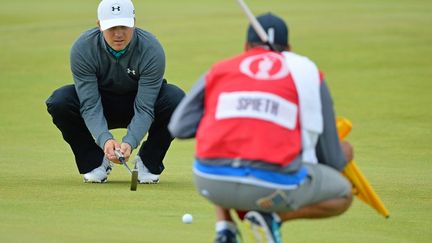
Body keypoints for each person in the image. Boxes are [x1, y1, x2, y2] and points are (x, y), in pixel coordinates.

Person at [169, 13, 353, 243]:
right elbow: (332, 161)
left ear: (246, 46)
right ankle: (274, 217)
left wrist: (228, 118)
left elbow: (179, 127)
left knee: (224, 141)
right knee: (343, 193)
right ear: (289, 48)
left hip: (210, 182)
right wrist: (344, 153)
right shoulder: (306, 73)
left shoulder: (220, 69)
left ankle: (225, 228)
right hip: (271, 185)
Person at [46, 0, 185, 184]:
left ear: (134, 22)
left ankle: (148, 162)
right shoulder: (83, 48)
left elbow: (145, 108)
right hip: (101, 104)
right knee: (60, 101)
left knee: (176, 100)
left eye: (124, 26)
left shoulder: (151, 49)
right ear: (99, 25)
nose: (118, 34)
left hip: (139, 104)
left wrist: (129, 142)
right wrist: (105, 140)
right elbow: (90, 104)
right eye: (111, 27)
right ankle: (94, 162)